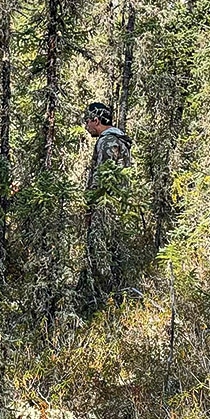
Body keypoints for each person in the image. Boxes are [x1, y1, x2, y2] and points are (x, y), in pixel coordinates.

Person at [80, 102, 133, 309]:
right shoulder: (120, 140)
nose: (86, 126)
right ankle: (118, 295)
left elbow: (102, 177)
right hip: (118, 204)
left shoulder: (106, 142)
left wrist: (90, 205)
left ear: (96, 120)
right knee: (114, 252)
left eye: (87, 121)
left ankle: (102, 301)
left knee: (100, 253)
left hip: (105, 206)